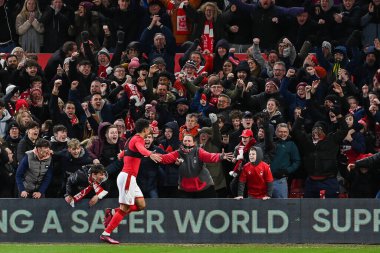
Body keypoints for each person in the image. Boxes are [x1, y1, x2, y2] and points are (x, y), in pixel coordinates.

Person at [100, 118, 161, 244]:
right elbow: (140, 148)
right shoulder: (138, 139)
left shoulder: (130, 139)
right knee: (125, 208)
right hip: (127, 177)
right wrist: (149, 154)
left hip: (130, 178)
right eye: (149, 127)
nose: (150, 129)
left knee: (141, 206)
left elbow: (126, 153)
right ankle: (106, 233)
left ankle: (112, 212)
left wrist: (121, 155)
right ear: (145, 129)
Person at [159, 134, 234, 198]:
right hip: (185, 189)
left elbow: (209, 156)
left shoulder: (199, 151)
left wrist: (220, 156)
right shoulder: (177, 153)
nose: (187, 143)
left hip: (204, 187)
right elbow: (165, 158)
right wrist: (151, 155)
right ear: (182, 142)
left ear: (193, 143)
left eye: (189, 141)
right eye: (185, 141)